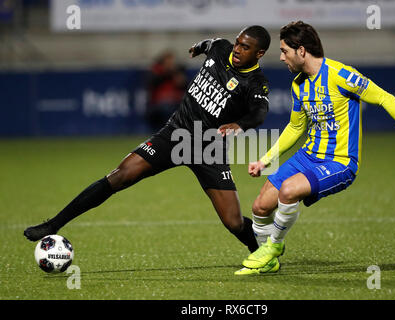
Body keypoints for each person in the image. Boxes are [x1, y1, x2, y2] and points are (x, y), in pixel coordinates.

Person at [24, 26, 272, 258]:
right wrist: (198, 47)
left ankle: (260, 252)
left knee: (234, 222)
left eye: (245, 47)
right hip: (175, 134)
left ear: (259, 53)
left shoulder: (255, 83)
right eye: (238, 43)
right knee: (121, 175)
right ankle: (53, 224)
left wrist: (240, 125)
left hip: (209, 149)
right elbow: (210, 43)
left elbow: (259, 112)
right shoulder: (221, 48)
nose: (238, 49)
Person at [234, 21, 395, 275]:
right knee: (260, 207)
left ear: (301, 51)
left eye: (284, 50)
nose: (281, 57)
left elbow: (385, 98)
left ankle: (272, 248)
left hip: (339, 162)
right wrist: (265, 160)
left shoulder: (342, 76)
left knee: (289, 191)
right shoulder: (299, 84)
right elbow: (296, 127)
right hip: (308, 156)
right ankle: (270, 259)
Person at [145, 50, 187, 133]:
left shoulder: (177, 72)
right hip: (159, 104)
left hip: (175, 102)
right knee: (166, 108)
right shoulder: (157, 71)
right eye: (168, 61)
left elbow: (184, 86)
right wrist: (167, 72)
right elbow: (152, 84)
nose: (170, 63)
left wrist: (180, 79)